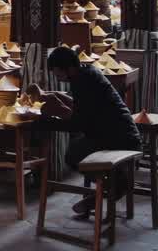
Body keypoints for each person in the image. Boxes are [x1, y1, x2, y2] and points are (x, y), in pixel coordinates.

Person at [38, 46, 141, 217]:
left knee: (73, 155)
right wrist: (55, 96)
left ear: (69, 68)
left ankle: (113, 186)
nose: (58, 78)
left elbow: (77, 123)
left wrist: (48, 119)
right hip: (121, 132)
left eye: (58, 74)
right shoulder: (88, 72)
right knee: (78, 147)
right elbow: (82, 107)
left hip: (119, 137)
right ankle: (112, 185)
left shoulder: (82, 81)